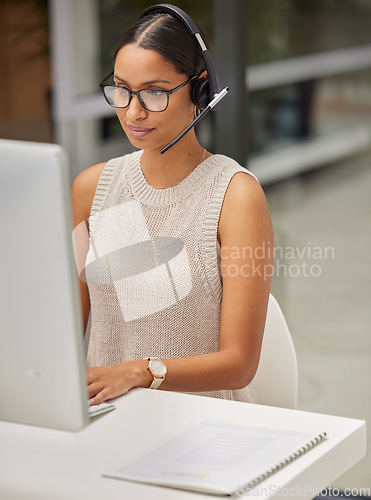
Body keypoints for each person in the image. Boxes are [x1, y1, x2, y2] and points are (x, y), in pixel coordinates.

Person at [71, 4, 273, 406]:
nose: (133, 111)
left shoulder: (236, 197)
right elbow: (65, 334)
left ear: (200, 89)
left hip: (204, 426)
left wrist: (140, 372)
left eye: (154, 92)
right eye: (122, 89)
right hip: (109, 422)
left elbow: (239, 364)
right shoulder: (92, 189)